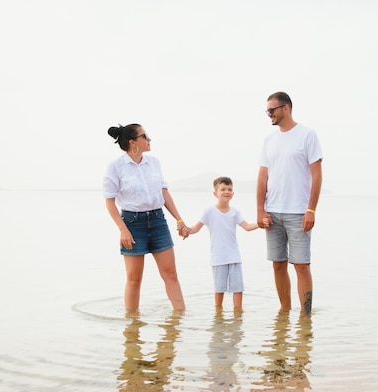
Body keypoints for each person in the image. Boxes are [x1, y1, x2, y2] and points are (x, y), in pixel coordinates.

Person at [103, 123, 186, 312]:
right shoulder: (115, 167)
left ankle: (180, 320)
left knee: (170, 274)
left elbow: (163, 193)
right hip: (132, 224)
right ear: (133, 142)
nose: (149, 139)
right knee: (134, 279)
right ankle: (132, 329)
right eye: (145, 136)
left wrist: (179, 220)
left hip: (158, 221)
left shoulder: (154, 162)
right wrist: (123, 229)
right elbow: (109, 202)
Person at [256, 92, 323, 315]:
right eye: (267, 111)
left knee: (302, 266)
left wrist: (311, 209)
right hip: (272, 212)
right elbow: (262, 177)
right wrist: (260, 209)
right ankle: (284, 314)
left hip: (298, 213)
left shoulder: (307, 135)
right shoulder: (269, 140)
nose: (269, 115)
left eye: (271, 110)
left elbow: (317, 175)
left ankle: (306, 317)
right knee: (277, 264)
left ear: (286, 108)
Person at [182, 177, 258, 309]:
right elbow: (195, 228)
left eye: (230, 189)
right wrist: (186, 230)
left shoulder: (235, 212)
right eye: (223, 189)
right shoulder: (209, 211)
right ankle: (218, 315)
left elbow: (246, 227)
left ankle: (238, 314)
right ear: (215, 193)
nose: (227, 192)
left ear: (233, 194)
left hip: (234, 256)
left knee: (238, 288)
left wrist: (260, 223)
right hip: (218, 257)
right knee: (219, 289)